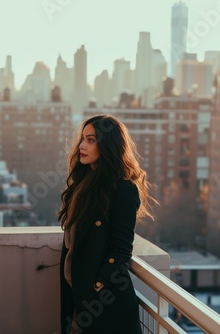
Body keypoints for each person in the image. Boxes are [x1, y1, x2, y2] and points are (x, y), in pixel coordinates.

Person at [58, 114, 157, 334]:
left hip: (107, 303)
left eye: (91, 140)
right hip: (79, 295)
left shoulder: (122, 189)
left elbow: (122, 248)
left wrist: (98, 284)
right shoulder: (82, 187)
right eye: (83, 139)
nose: (82, 146)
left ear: (108, 145)